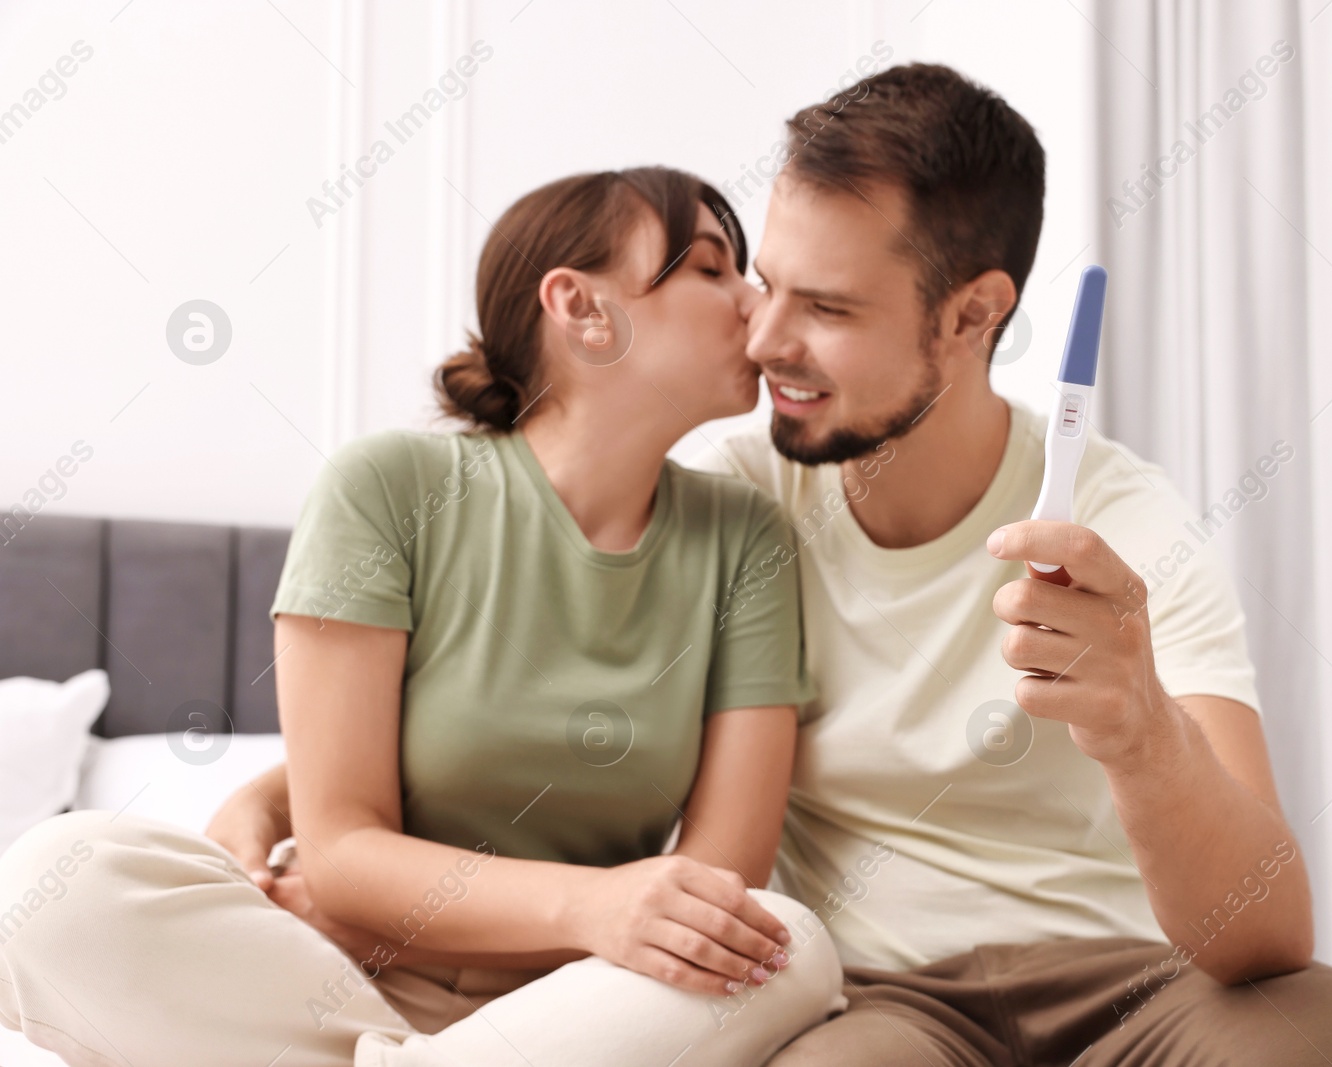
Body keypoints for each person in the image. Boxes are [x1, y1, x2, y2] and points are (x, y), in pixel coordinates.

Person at [225, 64, 1332, 1064]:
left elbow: (1264, 933)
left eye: (828, 308)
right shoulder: (736, 506)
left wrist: (1138, 725)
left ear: (973, 314)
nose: (763, 339)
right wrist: (286, 800)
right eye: (762, 286)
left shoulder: (1128, 524)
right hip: (871, 999)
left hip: (1137, 987)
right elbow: (525, 705)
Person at [0, 167, 847, 1067]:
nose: (757, 304)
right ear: (584, 307)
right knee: (54, 879)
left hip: (585, 1006)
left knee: (789, 944)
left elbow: (713, 893)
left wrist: (426, 918)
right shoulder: (388, 488)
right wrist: (591, 906)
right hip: (328, 978)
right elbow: (343, 853)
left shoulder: (747, 537)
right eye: (713, 269)